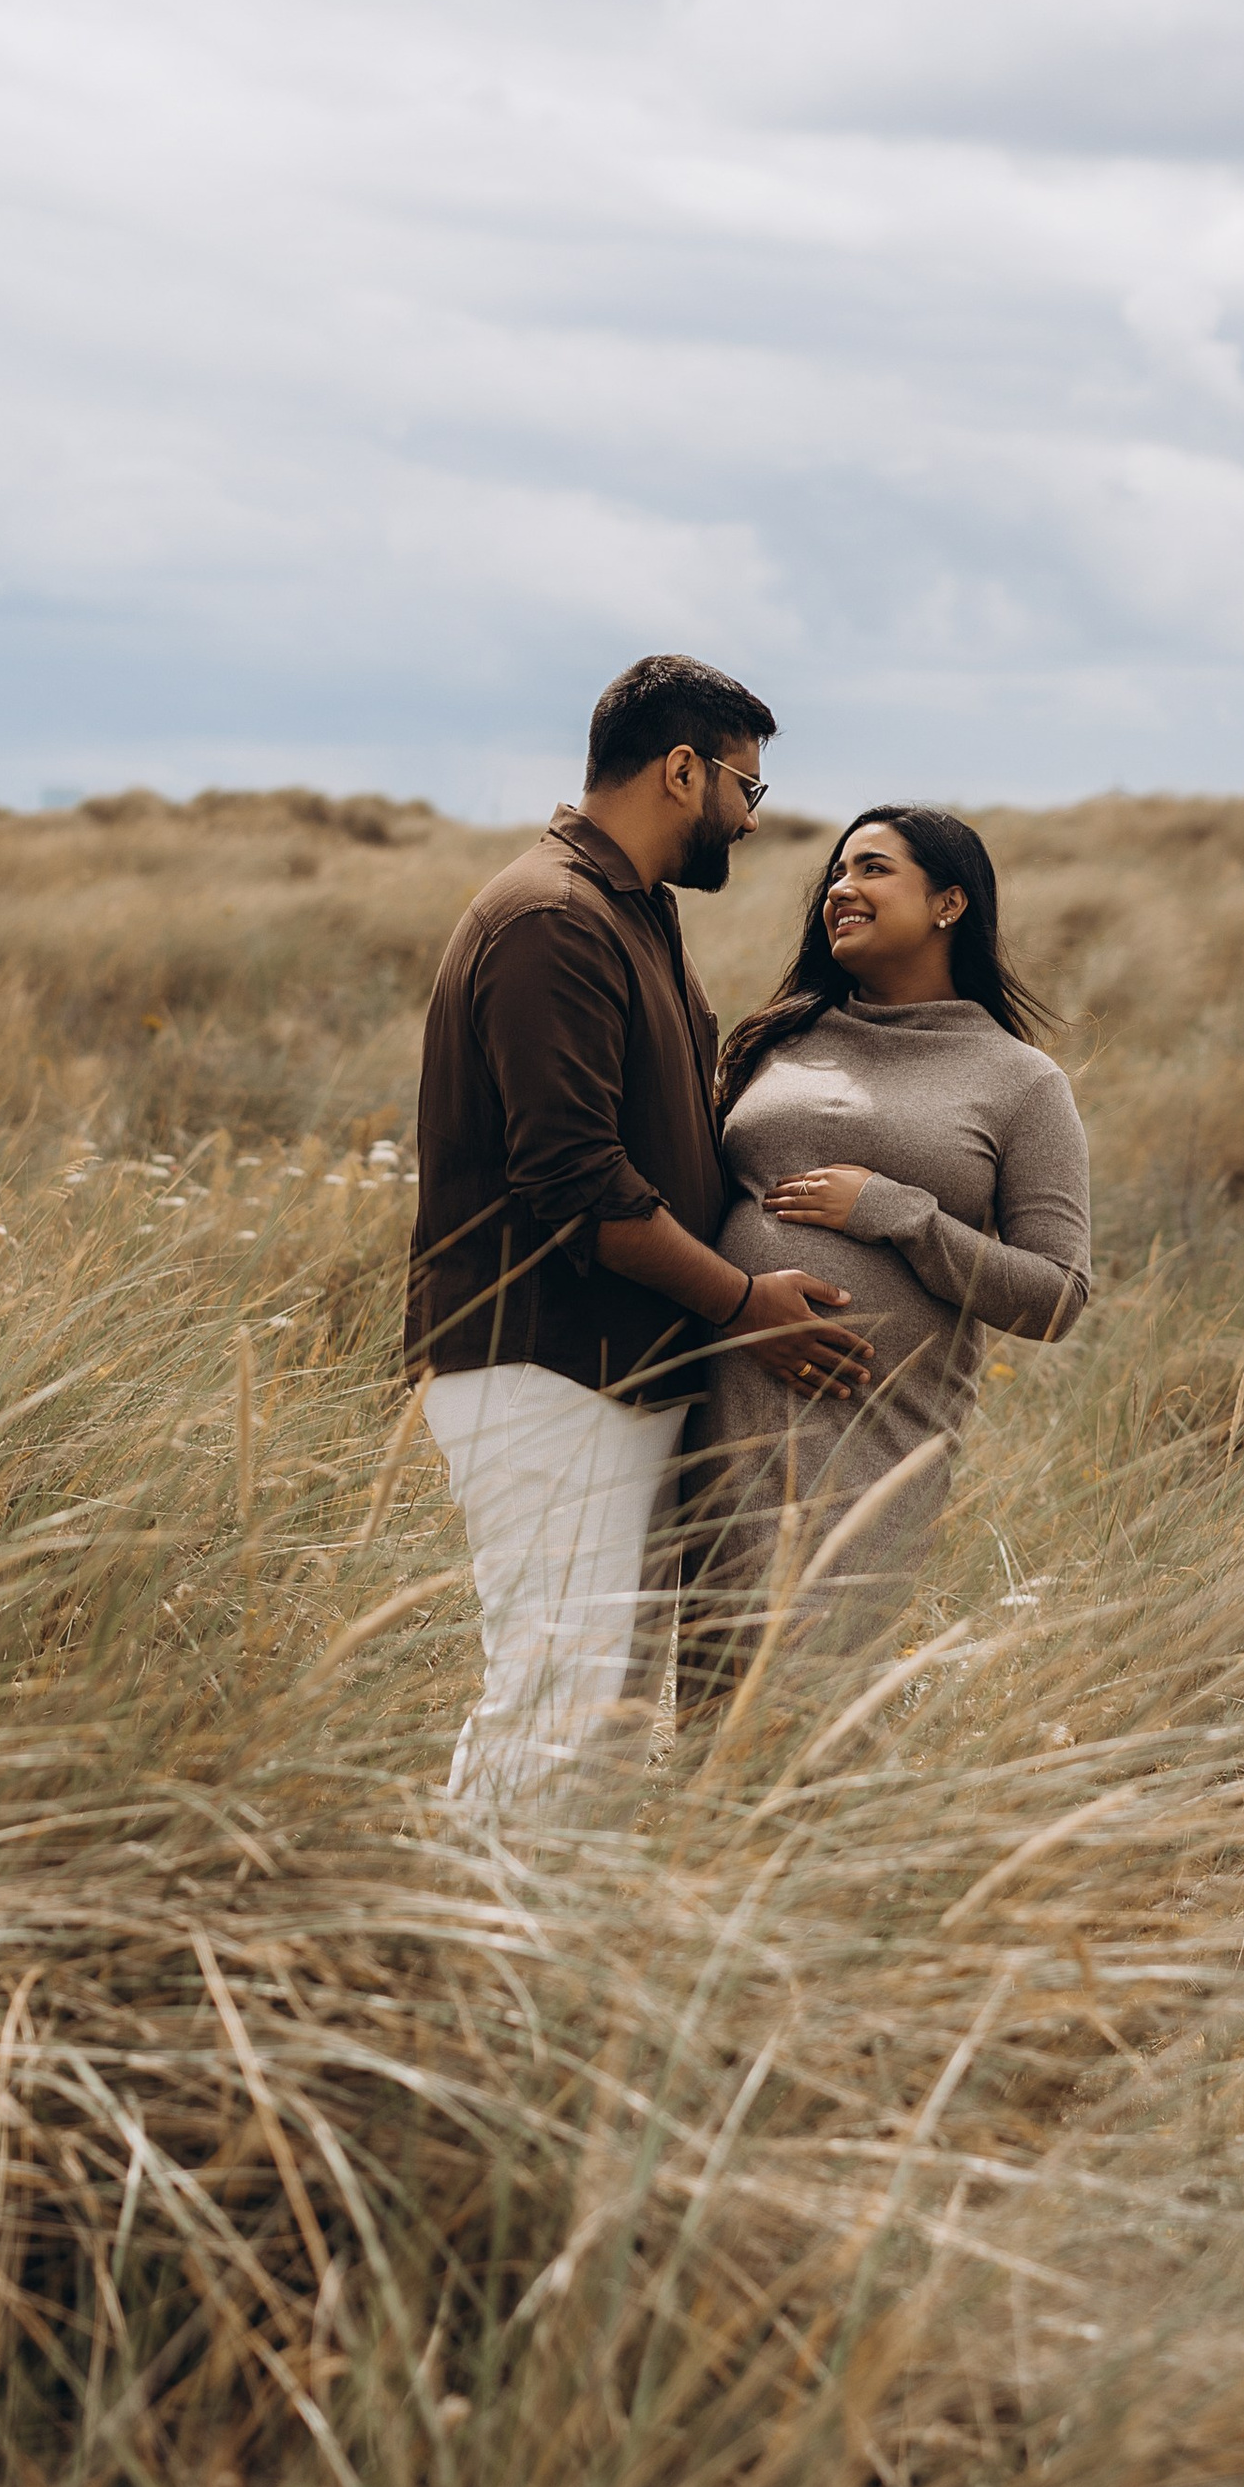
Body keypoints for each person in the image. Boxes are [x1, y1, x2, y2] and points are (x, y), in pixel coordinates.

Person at [405, 654, 872, 1811]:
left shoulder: (631, 910)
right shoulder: (550, 920)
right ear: (681, 771)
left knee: (602, 1713)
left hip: (616, 1369)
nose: (750, 819)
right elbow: (576, 1181)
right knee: (555, 1698)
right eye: (745, 789)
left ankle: (550, 1925)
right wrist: (742, 1302)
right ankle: (476, 1925)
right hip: (545, 1367)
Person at [685, 806, 1090, 1706]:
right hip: (721, 1414)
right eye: (836, 872)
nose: (841, 888)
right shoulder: (775, 1042)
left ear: (950, 902)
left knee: (814, 1694)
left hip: (872, 1435)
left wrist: (898, 1214)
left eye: (873, 869)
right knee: (717, 1695)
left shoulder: (1020, 1081)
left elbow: (1057, 1296)